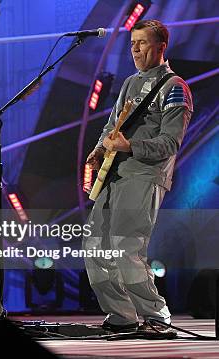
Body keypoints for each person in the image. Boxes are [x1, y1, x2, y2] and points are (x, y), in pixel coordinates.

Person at [84, 20, 192, 333]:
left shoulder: (175, 88)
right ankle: (122, 315)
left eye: (142, 43)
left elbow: (170, 143)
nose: (134, 49)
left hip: (144, 176)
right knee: (94, 246)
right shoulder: (131, 83)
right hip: (114, 174)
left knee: (125, 247)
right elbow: (112, 125)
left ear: (161, 47)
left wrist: (130, 146)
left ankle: (157, 316)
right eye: (132, 43)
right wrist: (100, 149)